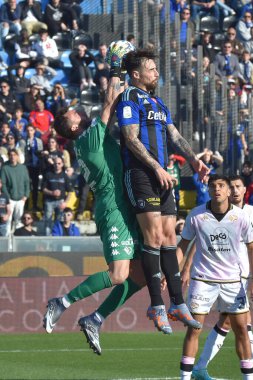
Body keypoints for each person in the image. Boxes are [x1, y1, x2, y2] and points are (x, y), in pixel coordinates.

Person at [43, 41, 199, 356]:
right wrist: (116, 66)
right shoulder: (89, 138)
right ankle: (61, 302)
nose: (78, 109)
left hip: (125, 201)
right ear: (73, 125)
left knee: (142, 275)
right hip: (113, 208)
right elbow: (111, 100)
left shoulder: (89, 140)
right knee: (119, 274)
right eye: (74, 111)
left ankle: (95, 318)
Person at [116, 48, 209, 333]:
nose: (157, 73)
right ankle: (156, 304)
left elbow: (175, 135)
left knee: (171, 236)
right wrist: (156, 167)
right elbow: (130, 138)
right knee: (154, 237)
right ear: (136, 74)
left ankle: (177, 304)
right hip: (142, 174)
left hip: (163, 175)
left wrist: (194, 160)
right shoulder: (129, 97)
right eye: (152, 69)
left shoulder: (157, 101)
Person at [177, 174, 253, 380]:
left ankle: (248, 377)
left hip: (233, 281)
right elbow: (184, 246)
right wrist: (174, 272)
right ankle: (186, 376)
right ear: (209, 190)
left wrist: (251, 280)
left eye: (221, 186)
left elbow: (251, 248)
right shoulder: (196, 215)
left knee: (241, 330)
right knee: (194, 329)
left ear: (229, 191)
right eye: (212, 186)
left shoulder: (242, 217)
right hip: (203, 280)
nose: (216, 189)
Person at [1, 148, 30, 235]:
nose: (12, 157)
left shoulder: (23, 168)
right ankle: (7, 241)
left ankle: (17, 240)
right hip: (10, 199)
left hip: (21, 199)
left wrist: (26, 195)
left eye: (14, 155)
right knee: (8, 220)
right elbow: (3, 184)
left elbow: (27, 182)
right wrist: (7, 197)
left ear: (17, 156)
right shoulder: (5, 168)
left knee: (18, 221)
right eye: (11, 155)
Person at [42, 155, 72, 235]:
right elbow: (43, 189)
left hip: (60, 202)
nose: (57, 165)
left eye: (59, 163)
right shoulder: (48, 174)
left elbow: (70, 192)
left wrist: (65, 203)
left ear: (62, 164)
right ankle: (47, 241)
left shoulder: (65, 176)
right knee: (47, 221)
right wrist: (52, 192)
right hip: (49, 201)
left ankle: (57, 239)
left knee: (59, 222)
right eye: (55, 163)